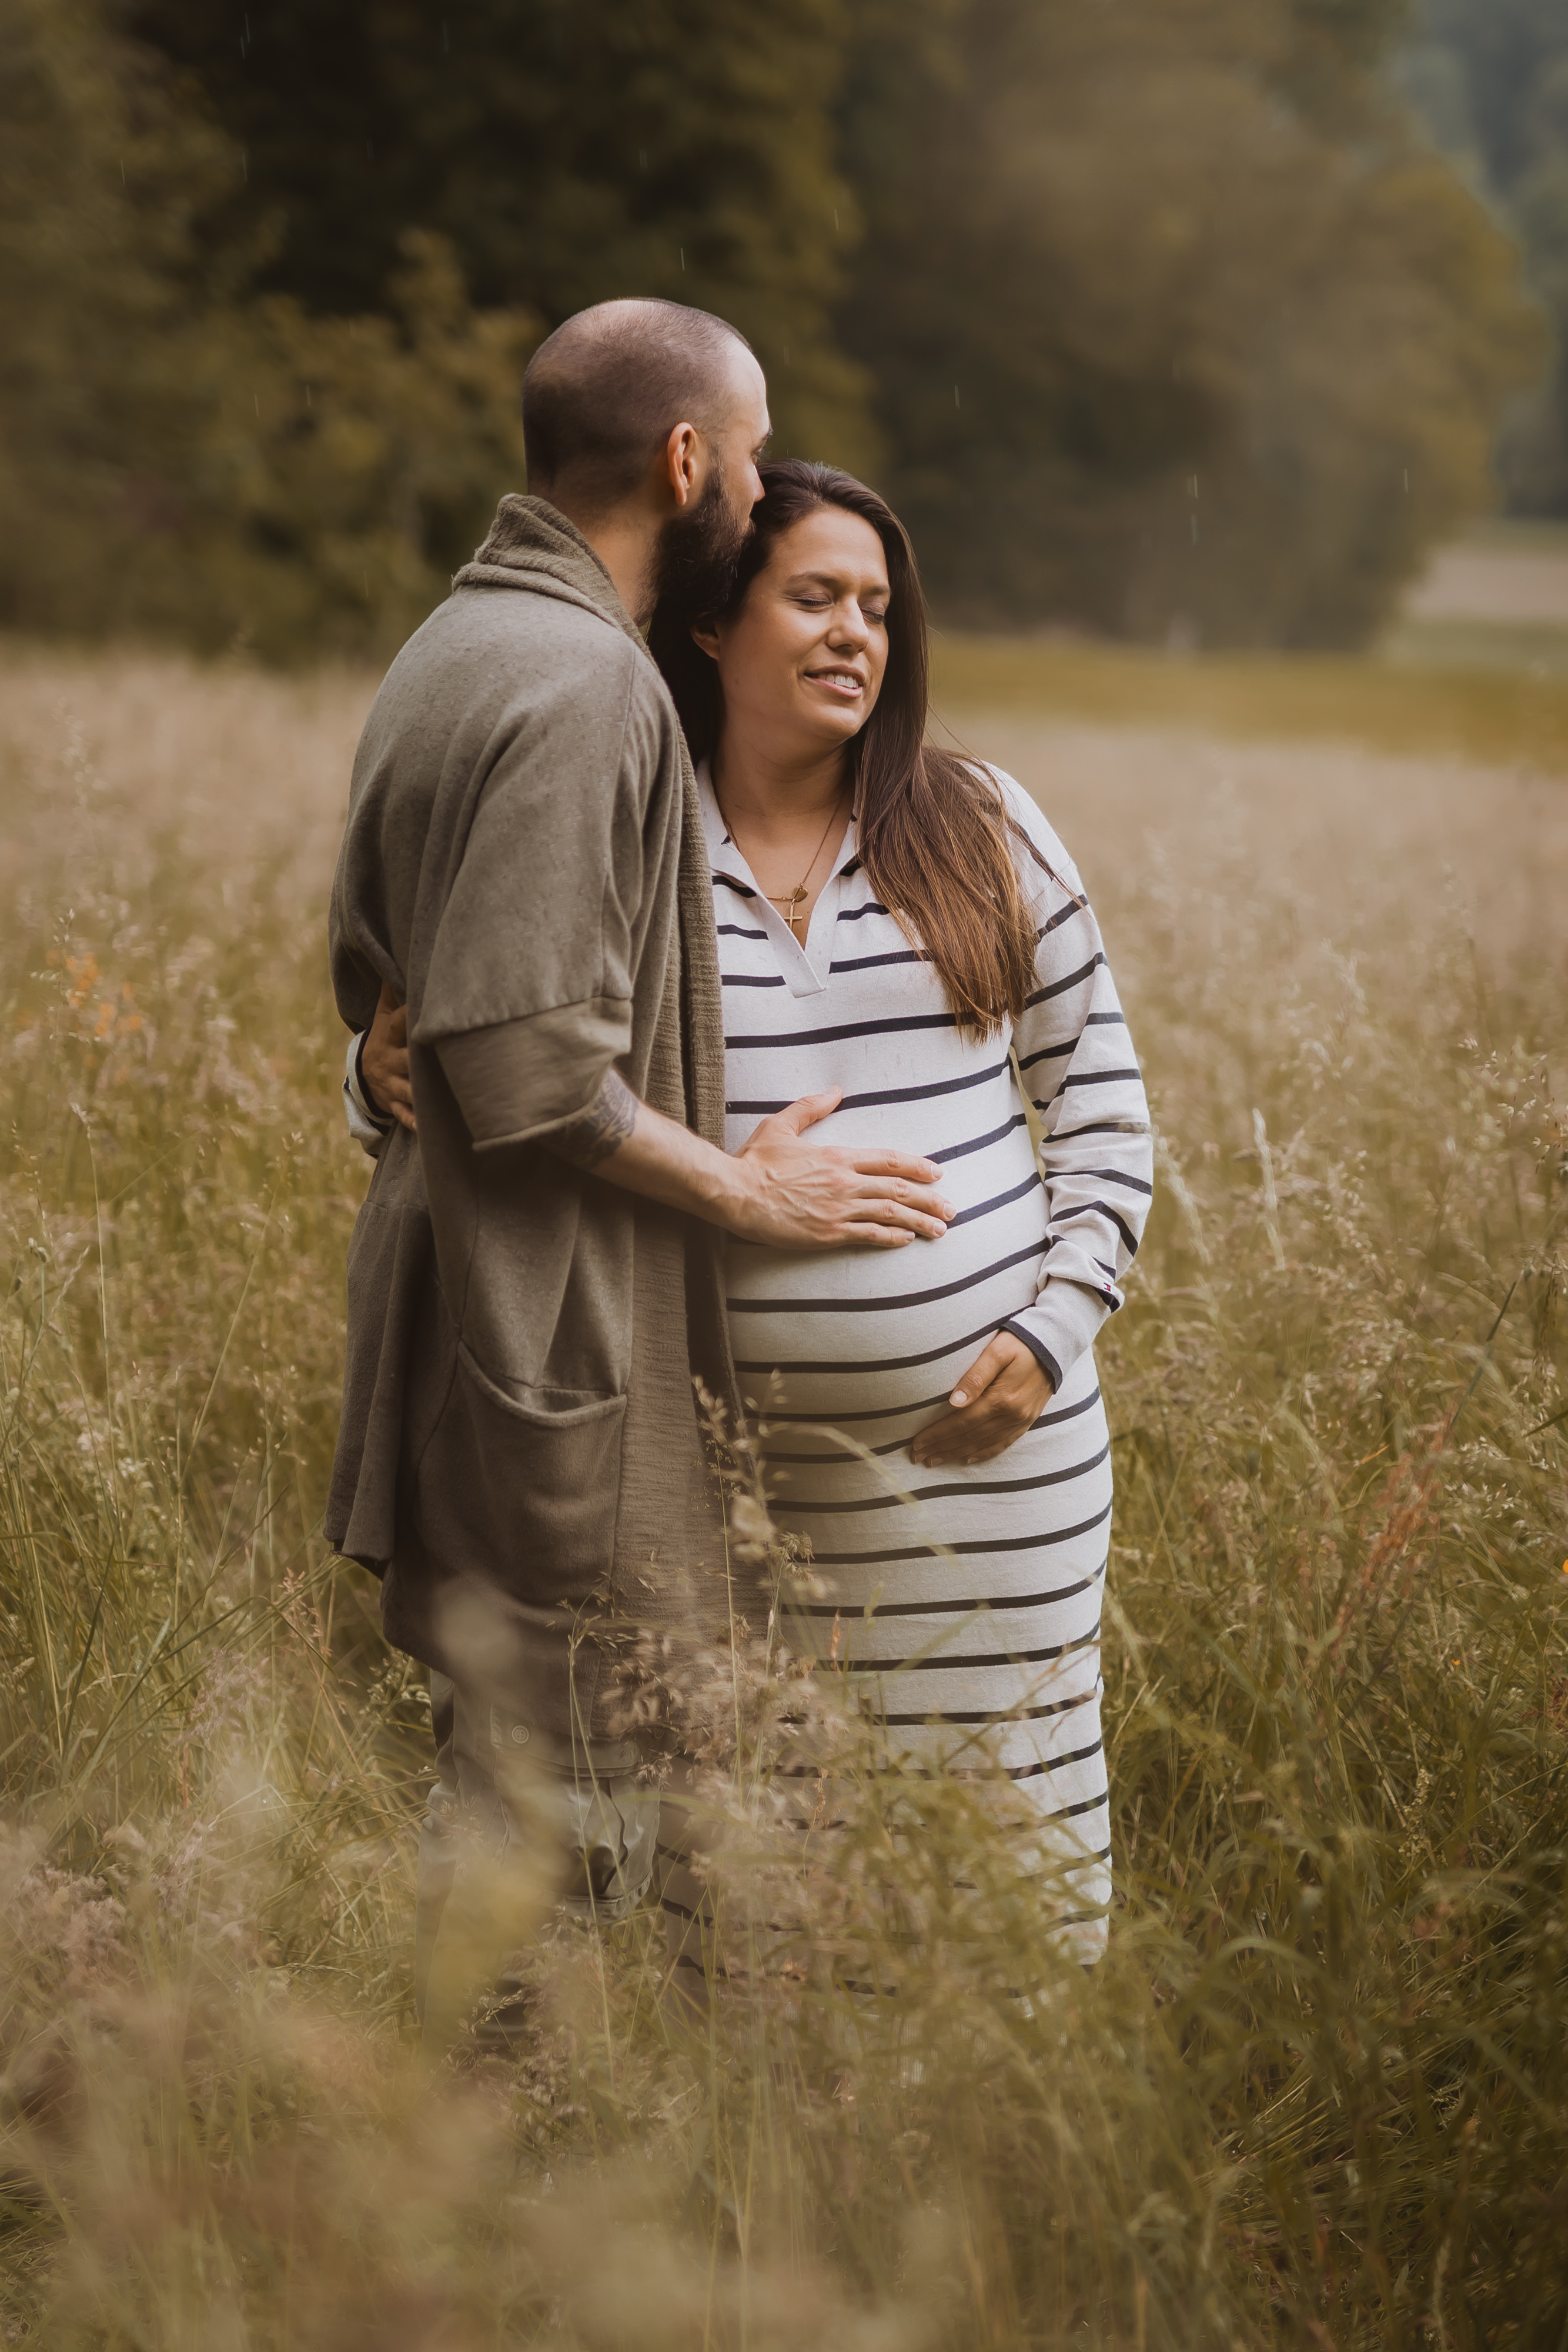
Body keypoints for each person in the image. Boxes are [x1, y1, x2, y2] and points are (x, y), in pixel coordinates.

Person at [364, 455, 1153, 1967]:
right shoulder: (623, 836)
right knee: (757, 1905)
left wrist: (1052, 1334)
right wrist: (374, 1069)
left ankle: (1001, 2161)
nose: (856, 629)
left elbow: (1107, 1112)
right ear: (717, 625)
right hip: (728, 1509)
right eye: (814, 596)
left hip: (1001, 1484)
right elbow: (487, 1075)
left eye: (876, 603)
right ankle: (784, 2196)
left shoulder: (975, 822)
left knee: (1004, 1878)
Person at [328, 307, 957, 2042]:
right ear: (686, 461)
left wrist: (393, 1070)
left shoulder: (448, 644)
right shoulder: (586, 683)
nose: (757, 495)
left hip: (474, 1310)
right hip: (545, 1343)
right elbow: (524, 1067)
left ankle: (485, 2159)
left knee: (521, 1768)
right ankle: (491, 2174)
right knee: (562, 1799)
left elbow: (424, 1010)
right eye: (750, 455)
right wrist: (753, 1197)